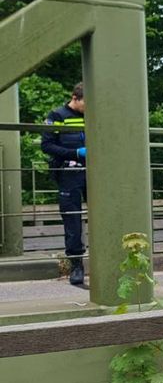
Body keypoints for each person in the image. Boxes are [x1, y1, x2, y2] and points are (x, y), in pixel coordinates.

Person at [41, 82, 87, 285]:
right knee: (72, 221)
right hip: (69, 173)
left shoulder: (95, 113)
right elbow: (47, 145)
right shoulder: (57, 116)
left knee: (106, 215)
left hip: (95, 173)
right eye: (87, 102)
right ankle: (76, 265)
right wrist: (75, 153)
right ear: (75, 97)